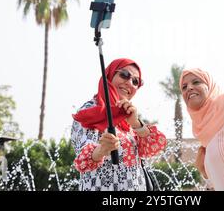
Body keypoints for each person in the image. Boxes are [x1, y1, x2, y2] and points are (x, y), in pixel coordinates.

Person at [71, 58, 167, 191]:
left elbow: (152, 148)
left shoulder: (126, 116)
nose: (129, 82)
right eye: (124, 74)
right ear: (109, 76)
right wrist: (102, 150)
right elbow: (82, 158)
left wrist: (136, 123)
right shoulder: (90, 110)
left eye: (135, 81)